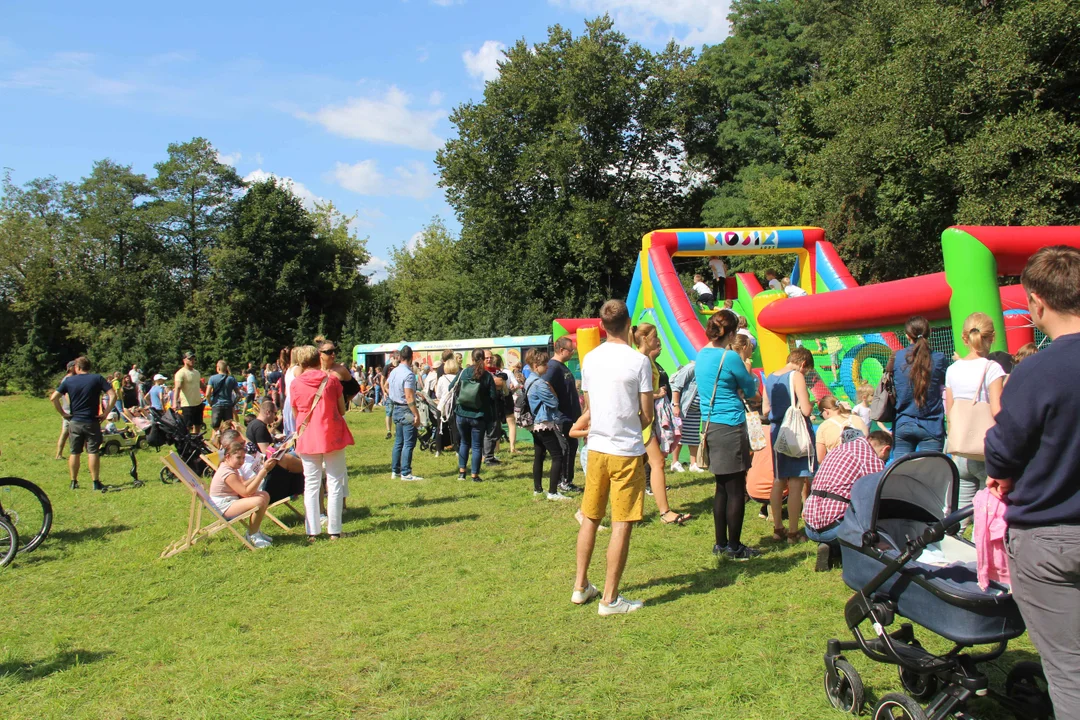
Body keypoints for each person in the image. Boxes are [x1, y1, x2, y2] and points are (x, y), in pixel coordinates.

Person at [984, 246, 1080, 718]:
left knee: (1069, 671)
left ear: (1037, 303)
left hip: (1051, 534)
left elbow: (1002, 449)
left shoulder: (1036, 371)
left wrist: (1003, 471)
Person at [574, 300, 653, 616]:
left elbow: (588, 407)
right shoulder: (639, 362)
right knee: (621, 522)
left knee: (590, 517)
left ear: (602, 325)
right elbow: (646, 414)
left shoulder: (590, 359)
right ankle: (609, 598)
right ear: (628, 323)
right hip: (626, 451)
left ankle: (580, 586)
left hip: (596, 449)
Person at [695, 310, 763, 559]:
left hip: (711, 425)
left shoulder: (701, 355)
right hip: (731, 426)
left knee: (721, 487)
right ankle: (734, 547)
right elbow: (749, 387)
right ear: (732, 333)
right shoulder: (730, 358)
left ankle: (721, 543)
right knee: (736, 489)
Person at [945, 312, 1006, 524]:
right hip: (985, 448)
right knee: (986, 512)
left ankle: (956, 547)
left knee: (960, 513)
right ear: (992, 337)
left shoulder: (952, 370)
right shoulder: (993, 368)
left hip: (961, 446)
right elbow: (997, 410)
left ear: (964, 338)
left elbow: (950, 410)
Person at [804, 431, 892, 571]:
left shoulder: (840, 449)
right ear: (885, 449)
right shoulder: (870, 458)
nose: (885, 461)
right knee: (875, 511)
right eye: (886, 458)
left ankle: (832, 547)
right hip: (834, 527)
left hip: (809, 526)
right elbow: (879, 496)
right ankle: (851, 551)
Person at [291, 345, 354, 540]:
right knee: (335, 482)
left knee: (311, 483)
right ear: (318, 359)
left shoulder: (295, 384)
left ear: (301, 363)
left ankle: (312, 531)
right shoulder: (332, 381)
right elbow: (342, 410)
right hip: (331, 434)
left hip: (308, 436)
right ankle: (334, 530)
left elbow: (295, 413)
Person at [634, 323, 691, 526]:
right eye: (654, 336)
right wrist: (656, 395)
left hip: (646, 420)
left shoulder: (647, 359)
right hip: (642, 420)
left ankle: (636, 512)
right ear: (644, 339)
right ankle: (664, 512)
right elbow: (640, 392)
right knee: (656, 463)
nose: (658, 340)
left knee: (637, 466)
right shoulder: (641, 361)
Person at [762, 347, 816, 543]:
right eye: (807, 370)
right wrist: (808, 405)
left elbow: (765, 409)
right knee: (796, 482)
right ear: (803, 364)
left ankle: (778, 528)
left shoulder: (770, 377)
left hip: (777, 431)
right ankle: (793, 532)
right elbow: (806, 409)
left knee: (779, 480)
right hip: (795, 432)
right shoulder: (796, 376)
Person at [51, 356, 115, 491]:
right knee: (93, 451)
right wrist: (105, 413)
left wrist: (63, 413)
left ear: (77, 367)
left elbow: (54, 398)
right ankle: (95, 482)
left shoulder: (69, 381)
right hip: (92, 421)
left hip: (75, 421)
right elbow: (113, 395)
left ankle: (73, 481)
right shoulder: (97, 378)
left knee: (74, 452)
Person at [891, 316, 948, 457]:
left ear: (907, 335)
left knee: (900, 473)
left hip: (903, 422)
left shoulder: (897, 357)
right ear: (929, 333)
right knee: (929, 474)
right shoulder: (939, 358)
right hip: (932, 424)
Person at [208, 440, 273, 548]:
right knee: (260, 501)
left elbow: (243, 487)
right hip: (223, 507)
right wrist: (262, 473)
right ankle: (253, 535)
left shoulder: (230, 467)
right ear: (228, 456)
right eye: (238, 458)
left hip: (230, 500)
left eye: (243, 458)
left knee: (264, 494)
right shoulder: (227, 472)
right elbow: (245, 492)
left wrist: (258, 475)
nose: (242, 461)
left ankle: (255, 531)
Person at [526, 350, 571, 501]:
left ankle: (538, 489)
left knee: (539, 455)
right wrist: (552, 391)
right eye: (544, 365)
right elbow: (553, 402)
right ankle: (553, 492)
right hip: (544, 422)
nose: (547, 367)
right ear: (535, 365)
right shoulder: (540, 383)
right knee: (558, 455)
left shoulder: (529, 380)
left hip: (535, 424)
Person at [240, 404, 305, 503]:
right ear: (268, 412)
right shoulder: (259, 427)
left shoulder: (255, 424)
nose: (275, 417)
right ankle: (311, 473)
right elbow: (266, 452)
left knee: (295, 453)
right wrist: (283, 448)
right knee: (292, 456)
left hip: (263, 465)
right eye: (275, 413)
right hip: (267, 467)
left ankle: (311, 474)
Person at [543, 336, 584, 492]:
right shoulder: (553, 366)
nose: (573, 352)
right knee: (566, 448)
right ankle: (563, 482)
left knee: (572, 446)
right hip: (561, 416)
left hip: (569, 416)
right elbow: (546, 384)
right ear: (561, 350)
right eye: (571, 350)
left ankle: (567, 480)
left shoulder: (562, 366)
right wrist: (556, 399)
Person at [455, 349, 499, 482]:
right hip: (478, 416)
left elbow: (452, 387)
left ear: (472, 359)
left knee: (464, 442)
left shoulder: (463, 372)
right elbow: (493, 396)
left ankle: (462, 473)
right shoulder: (486, 376)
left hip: (461, 413)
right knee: (476, 446)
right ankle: (474, 475)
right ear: (483, 359)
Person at [388, 345, 423, 482]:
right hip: (405, 408)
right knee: (409, 443)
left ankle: (395, 471)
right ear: (411, 357)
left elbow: (387, 386)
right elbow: (409, 397)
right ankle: (406, 473)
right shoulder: (409, 374)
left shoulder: (394, 372)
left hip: (395, 407)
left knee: (398, 442)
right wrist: (416, 414)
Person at [669, 359, 702, 474]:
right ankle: (675, 462)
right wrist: (676, 405)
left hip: (696, 410)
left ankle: (694, 463)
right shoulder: (690, 369)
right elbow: (676, 386)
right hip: (683, 408)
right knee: (680, 436)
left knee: (693, 436)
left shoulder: (706, 371)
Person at [815, 396, 868, 464]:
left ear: (826, 411)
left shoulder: (824, 426)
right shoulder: (857, 419)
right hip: (861, 463)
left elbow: (820, 459)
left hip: (839, 465)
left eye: (821, 414)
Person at [481, 349, 507, 465]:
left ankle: (489, 455)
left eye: (490, 357)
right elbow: (497, 383)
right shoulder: (481, 371)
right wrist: (496, 382)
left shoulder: (495, 371)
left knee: (495, 431)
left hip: (497, 404)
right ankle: (487, 457)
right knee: (489, 431)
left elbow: (501, 383)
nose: (489, 359)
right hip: (487, 405)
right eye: (487, 358)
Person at [434, 358, 460, 455]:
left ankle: (438, 450)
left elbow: (438, 394)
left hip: (442, 406)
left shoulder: (442, 378)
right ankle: (457, 449)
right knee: (454, 428)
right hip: (454, 405)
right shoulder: (458, 378)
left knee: (439, 428)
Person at [173, 352, 204, 435]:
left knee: (198, 425)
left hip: (197, 403)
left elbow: (202, 386)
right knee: (187, 427)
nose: (192, 361)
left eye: (193, 359)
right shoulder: (180, 373)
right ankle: (187, 443)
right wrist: (174, 402)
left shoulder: (196, 372)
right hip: (187, 405)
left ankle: (196, 441)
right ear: (184, 360)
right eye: (189, 359)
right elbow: (177, 388)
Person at [205, 360, 241, 431]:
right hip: (228, 405)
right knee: (228, 428)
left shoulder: (212, 378)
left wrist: (210, 403)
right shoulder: (231, 379)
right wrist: (233, 404)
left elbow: (207, 394)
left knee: (215, 427)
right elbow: (238, 394)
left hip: (216, 405)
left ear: (218, 368)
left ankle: (218, 439)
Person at [54, 361, 75, 460]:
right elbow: (66, 394)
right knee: (66, 431)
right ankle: (58, 454)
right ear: (70, 368)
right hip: (69, 410)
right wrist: (71, 407)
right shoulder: (68, 379)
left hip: (70, 409)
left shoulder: (72, 378)